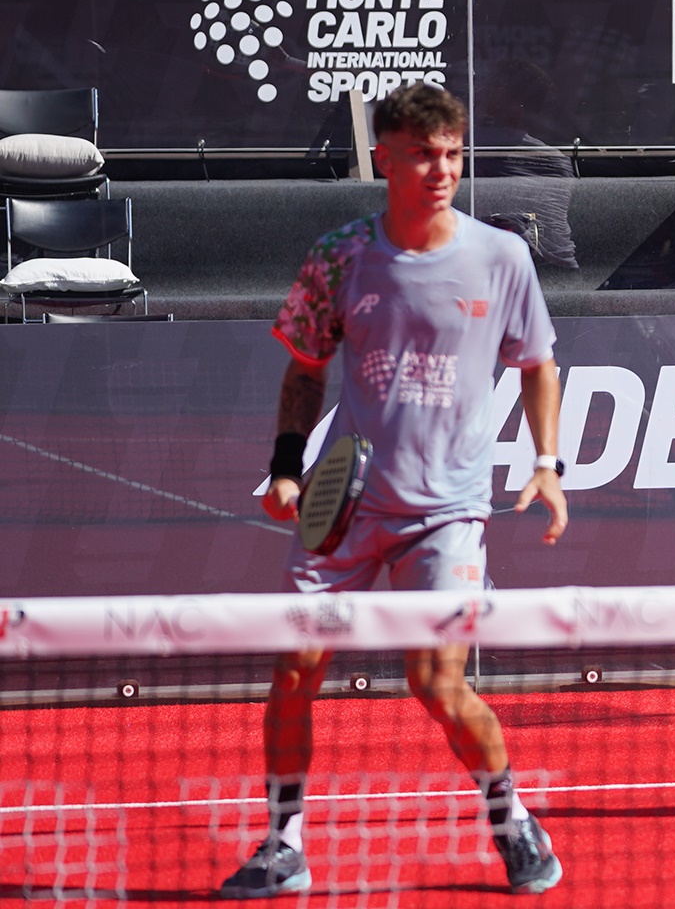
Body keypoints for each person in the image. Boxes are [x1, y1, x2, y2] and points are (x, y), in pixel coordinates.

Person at [221, 84, 568, 897]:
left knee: (437, 684)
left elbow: (537, 365)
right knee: (294, 668)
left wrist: (547, 464)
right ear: (384, 156)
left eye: (451, 152)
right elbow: (305, 369)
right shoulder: (341, 254)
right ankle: (284, 842)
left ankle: (511, 818)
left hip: (447, 513)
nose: (440, 168)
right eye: (421, 152)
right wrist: (284, 465)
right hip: (343, 502)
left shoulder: (502, 257)